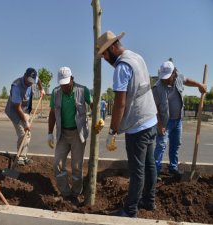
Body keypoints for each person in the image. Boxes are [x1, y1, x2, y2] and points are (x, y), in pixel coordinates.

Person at [96, 31, 158, 217]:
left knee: (137, 171)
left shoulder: (122, 67)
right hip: (151, 119)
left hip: (138, 126)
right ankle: (149, 200)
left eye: (105, 55)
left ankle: (130, 211)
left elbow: (120, 103)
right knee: (150, 165)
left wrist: (112, 131)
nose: (106, 60)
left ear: (113, 47)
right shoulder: (137, 57)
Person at [153, 61, 206, 181]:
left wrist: (199, 85)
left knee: (175, 145)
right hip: (165, 123)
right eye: (164, 77)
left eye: (168, 77)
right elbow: (155, 109)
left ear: (174, 74)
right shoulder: (157, 88)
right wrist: (159, 125)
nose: (165, 80)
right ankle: (155, 172)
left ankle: (173, 168)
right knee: (161, 146)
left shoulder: (179, 78)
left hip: (178, 121)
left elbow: (187, 81)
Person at [47, 66, 93, 204]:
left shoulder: (82, 90)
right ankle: (65, 193)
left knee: (76, 166)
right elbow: (52, 113)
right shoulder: (56, 93)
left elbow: (93, 104)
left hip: (78, 134)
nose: (64, 87)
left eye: (67, 84)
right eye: (62, 84)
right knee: (57, 164)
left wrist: (99, 118)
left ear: (72, 79)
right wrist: (49, 133)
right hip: (62, 134)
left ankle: (76, 193)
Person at [5, 67, 45, 166]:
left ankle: (23, 156)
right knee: (22, 134)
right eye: (30, 81)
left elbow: (38, 80)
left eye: (33, 82)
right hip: (15, 111)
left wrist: (42, 89)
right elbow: (17, 108)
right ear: (25, 76)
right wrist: (26, 122)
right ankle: (20, 158)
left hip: (25, 110)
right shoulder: (16, 87)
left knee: (28, 134)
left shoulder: (33, 79)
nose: (31, 84)